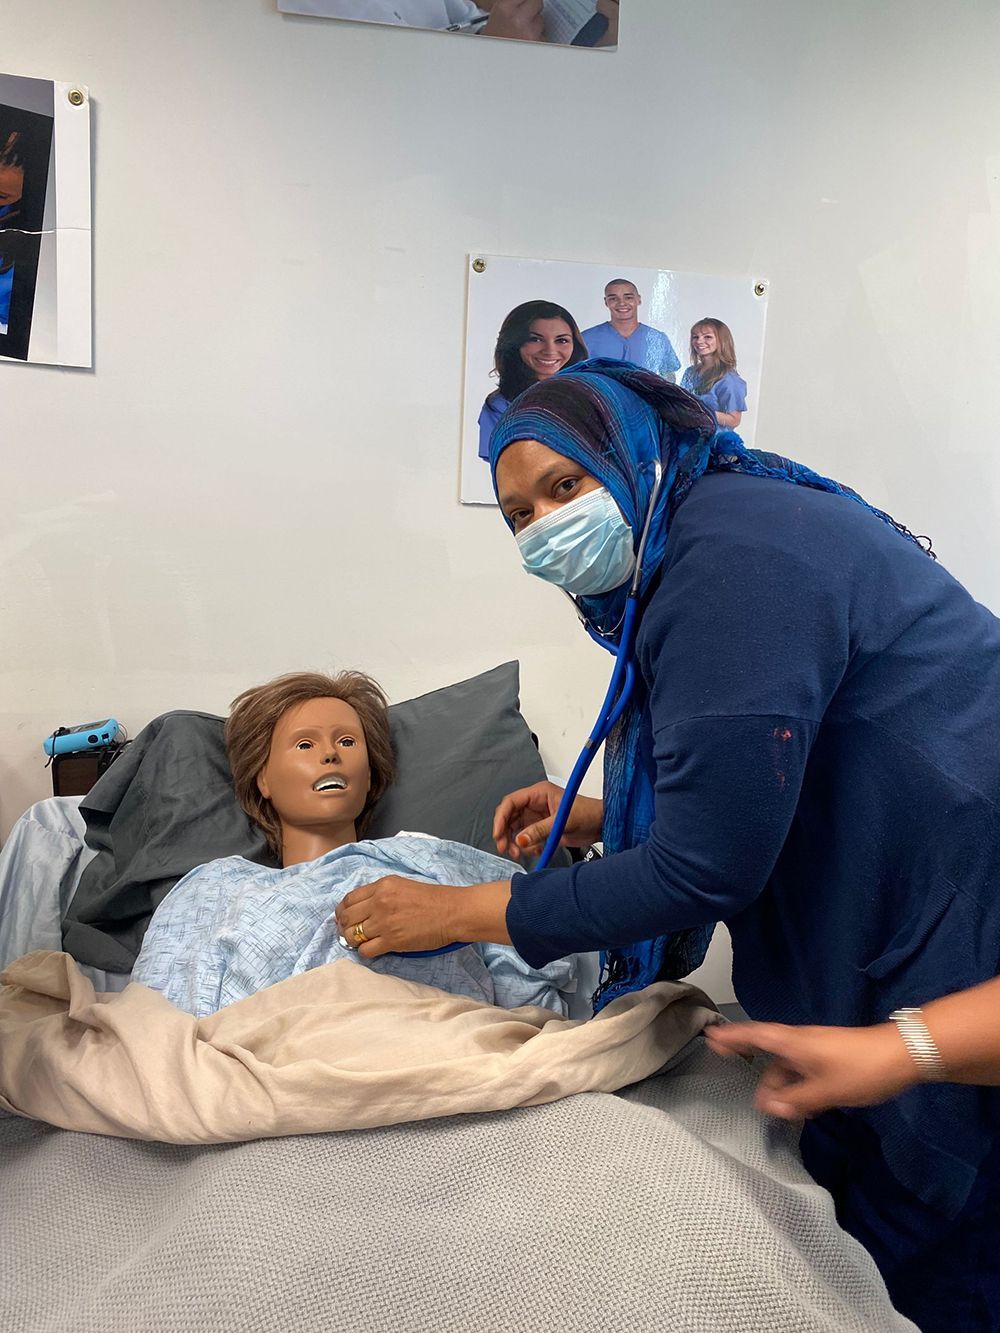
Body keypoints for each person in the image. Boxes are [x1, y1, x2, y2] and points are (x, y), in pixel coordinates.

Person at [336, 361, 1000, 1332]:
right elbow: (761, 760)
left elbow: (702, 866)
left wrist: (454, 912)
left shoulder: (729, 562)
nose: (544, 528)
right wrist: (609, 812)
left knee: (936, 1223)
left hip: (954, 908)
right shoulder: (709, 534)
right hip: (893, 894)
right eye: (518, 514)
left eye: (564, 486)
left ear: (635, 454)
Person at [132, 670, 573, 1018]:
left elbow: (530, 975)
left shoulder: (428, 858)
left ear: (370, 776)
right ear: (262, 778)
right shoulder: (212, 887)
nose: (331, 755)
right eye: (305, 744)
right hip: (263, 1063)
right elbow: (159, 1022)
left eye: (347, 741)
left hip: (442, 1049)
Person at [477, 300, 588, 460]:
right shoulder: (499, 407)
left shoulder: (591, 395)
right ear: (515, 343)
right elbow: (508, 467)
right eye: (535, 339)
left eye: (561, 340)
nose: (550, 351)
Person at [581, 279, 681, 382]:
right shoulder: (586, 338)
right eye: (613, 299)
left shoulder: (657, 339)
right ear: (606, 302)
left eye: (628, 297)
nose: (622, 303)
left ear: (638, 299)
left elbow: (669, 377)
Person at [680, 317, 747, 429]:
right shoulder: (690, 372)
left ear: (721, 341)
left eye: (707, 337)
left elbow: (734, 420)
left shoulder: (729, 379)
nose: (699, 341)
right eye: (695, 337)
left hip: (714, 438)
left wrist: (702, 413)